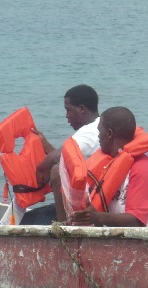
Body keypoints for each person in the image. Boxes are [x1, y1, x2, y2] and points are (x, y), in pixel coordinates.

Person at [60, 106, 148, 227]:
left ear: (109, 133)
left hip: (140, 243)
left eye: (99, 131)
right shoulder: (107, 164)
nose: (98, 136)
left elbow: (136, 220)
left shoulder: (143, 168)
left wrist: (97, 217)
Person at [15, 84, 101, 225]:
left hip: (86, 207)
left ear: (82, 109)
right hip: (89, 198)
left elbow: (59, 156)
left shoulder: (89, 132)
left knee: (29, 220)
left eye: (68, 110)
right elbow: (70, 157)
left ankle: (63, 227)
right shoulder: (99, 126)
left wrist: (40, 169)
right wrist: (46, 145)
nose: (66, 116)